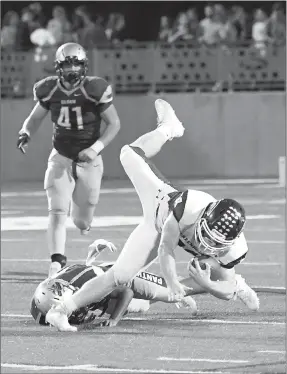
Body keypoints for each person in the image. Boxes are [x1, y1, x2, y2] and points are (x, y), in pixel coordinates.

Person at [45, 99, 259, 332]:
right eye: (207, 235)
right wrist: (172, 282)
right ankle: (61, 311)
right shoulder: (188, 207)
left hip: (187, 241)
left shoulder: (233, 248)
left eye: (216, 242)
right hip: (159, 210)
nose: (206, 243)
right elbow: (165, 249)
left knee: (216, 277)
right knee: (128, 154)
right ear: (204, 217)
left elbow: (227, 291)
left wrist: (206, 283)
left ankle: (241, 285)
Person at [17, 42, 121, 277]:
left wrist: (95, 148)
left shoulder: (94, 88)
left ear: (84, 65)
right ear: (58, 66)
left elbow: (114, 123)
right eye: (67, 64)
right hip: (61, 157)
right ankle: (57, 261)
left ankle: (82, 220)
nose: (72, 68)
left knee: (82, 221)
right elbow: (35, 118)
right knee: (56, 209)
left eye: (76, 63)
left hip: (89, 160)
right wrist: (26, 132)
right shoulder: (49, 89)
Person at [31, 238, 257, 328]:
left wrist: (113, 320)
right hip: (110, 276)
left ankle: (234, 283)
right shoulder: (56, 286)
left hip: (126, 280)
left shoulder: (71, 289)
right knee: (146, 304)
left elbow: (126, 291)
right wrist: (93, 252)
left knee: (171, 293)